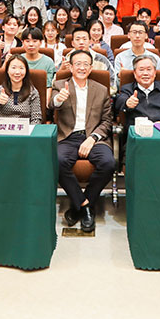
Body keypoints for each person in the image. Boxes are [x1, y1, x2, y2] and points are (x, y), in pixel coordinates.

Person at [50, 49, 115, 232]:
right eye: (77, 64)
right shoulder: (60, 84)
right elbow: (50, 105)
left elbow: (107, 121)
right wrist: (58, 100)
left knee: (108, 163)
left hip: (93, 138)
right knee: (58, 161)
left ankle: (80, 205)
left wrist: (93, 138)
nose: (81, 67)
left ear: (91, 67)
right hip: (68, 137)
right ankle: (85, 206)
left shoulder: (101, 90)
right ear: (70, 67)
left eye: (85, 64)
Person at [115, 55, 160, 127]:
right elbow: (119, 102)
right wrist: (127, 103)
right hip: (137, 132)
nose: (145, 73)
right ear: (135, 73)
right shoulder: (127, 89)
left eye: (149, 69)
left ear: (155, 73)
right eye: (141, 70)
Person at [0, 54, 42, 123]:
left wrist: (30, 131)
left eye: (21, 68)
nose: (17, 72)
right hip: (4, 129)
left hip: (26, 130)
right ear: (7, 70)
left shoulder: (32, 92)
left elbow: (36, 118)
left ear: (26, 71)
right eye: (13, 68)